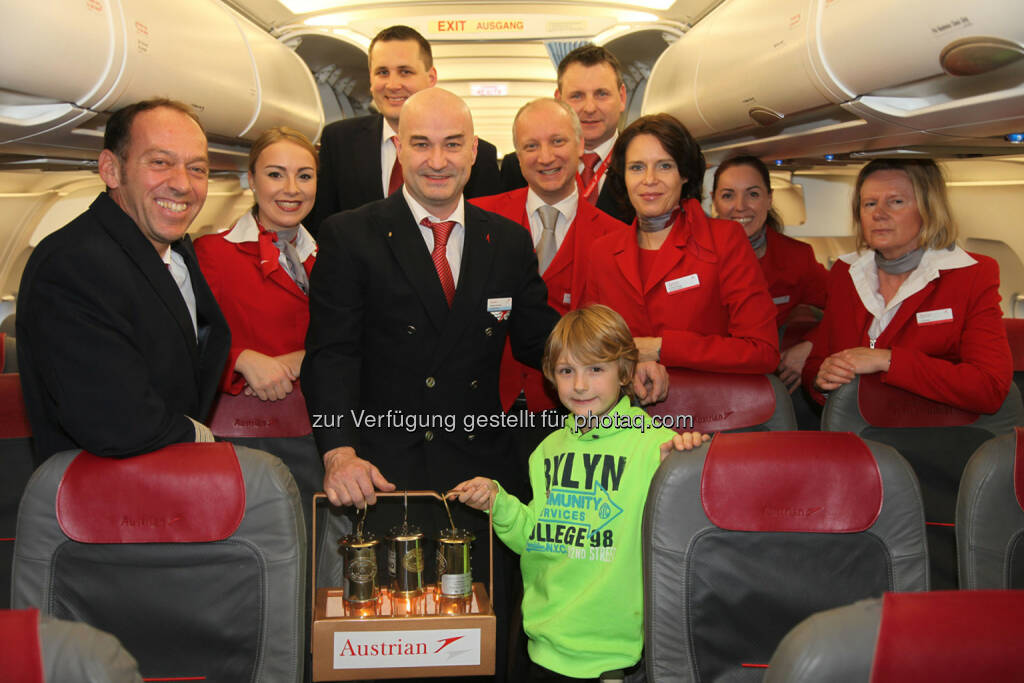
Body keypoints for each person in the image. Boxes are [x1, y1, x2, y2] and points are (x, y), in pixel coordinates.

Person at [449, 304, 708, 682]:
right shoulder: (547, 451)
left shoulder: (659, 447)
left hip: (615, 658)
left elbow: (692, 536)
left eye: (595, 369)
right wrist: (497, 502)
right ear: (551, 377)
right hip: (542, 647)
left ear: (624, 373)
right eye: (567, 371)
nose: (580, 385)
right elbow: (533, 538)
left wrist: (687, 462)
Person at [16, 99, 230, 464]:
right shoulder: (74, 263)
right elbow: (114, 421)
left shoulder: (173, 250)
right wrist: (200, 437)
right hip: (107, 500)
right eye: (160, 163)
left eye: (197, 168)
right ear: (111, 170)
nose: (182, 184)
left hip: (164, 480)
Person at [804, 158, 1012, 413]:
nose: (878, 213)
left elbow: (989, 388)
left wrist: (888, 360)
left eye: (896, 202)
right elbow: (816, 364)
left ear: (928, 209)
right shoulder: (845, 272)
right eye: (869, 203)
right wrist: (822, 379)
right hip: (853, 429)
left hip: (927, 433)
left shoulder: (970, 274)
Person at [583, 114, 779, 374]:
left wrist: (660, 348)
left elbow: (762, 352)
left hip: (705, 409)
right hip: (625, 411)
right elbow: (588, 350)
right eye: (637, 167)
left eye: (664, 166)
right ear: (624, 177)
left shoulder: (724, 240)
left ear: (684, 174)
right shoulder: (603, 252)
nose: (649, 179)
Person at [472, 98, 628, 411]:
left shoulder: (617, 237)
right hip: (485, 406)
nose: (545, 157)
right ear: (517, 154)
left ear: (581, 144)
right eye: (531, 146)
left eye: (557, 141)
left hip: (576, 409)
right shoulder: (477, 219)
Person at [307, 25, 502, 234]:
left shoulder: (480, 156)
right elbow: (324, 227)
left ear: (431, 78)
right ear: (371, 80)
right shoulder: (339, 141)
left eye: (405, 72)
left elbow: (485, 235)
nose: (392, 85)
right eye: (382, 72)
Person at [195, 127, 317, 402]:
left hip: (328, 417)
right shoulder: (212, 254)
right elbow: (183, 343)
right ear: (251, 180)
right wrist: (239, 360)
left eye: (305, 176)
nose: (292, 189)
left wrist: (307, 358)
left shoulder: (332, 254)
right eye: (275, 174)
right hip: (253, 421)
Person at [712, 155, 829, 391]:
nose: (740, 206)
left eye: (753, 194)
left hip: (763, 379)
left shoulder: (796, 257)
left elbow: (846, 309)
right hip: (707, 374)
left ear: (769, 199)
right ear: (713, 202)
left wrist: (809, 345)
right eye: (728, 195)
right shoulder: (690, 255)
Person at [500, 45, 634, 225]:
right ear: (559, 100)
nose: (590, 108)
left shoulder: (643, 166)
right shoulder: (518, 168)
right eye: (577, 96)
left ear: (622, 97)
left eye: (601, 94)